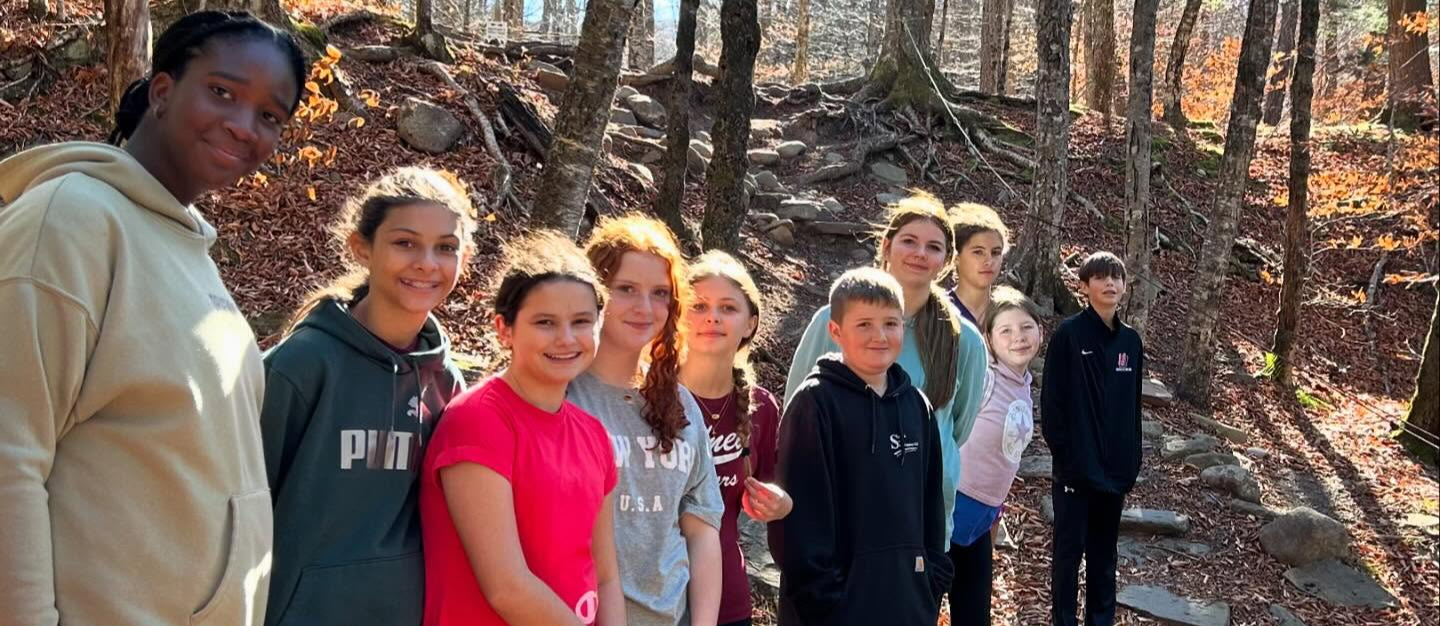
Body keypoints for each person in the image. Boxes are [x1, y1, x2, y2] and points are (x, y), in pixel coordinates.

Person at [0, 11, 304, 625]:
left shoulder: (187, 251)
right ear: (163, 91)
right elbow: (9, 453)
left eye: (270, 116)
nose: (244, 126)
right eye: (222, 92)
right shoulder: (71, 219)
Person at [259, 167, 475, 626]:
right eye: (404, 243)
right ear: (362, 248)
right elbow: (239, 507)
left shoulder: (447, 384)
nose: (426, 263)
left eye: (446, 248)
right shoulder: (302, 365)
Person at [420, 232, 625, 626]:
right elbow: (507, 586)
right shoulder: (478, 420)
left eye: (581, 321)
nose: (566, 339)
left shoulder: (594, 435)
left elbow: (606, 575)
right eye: (545, 323)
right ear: (505, 329)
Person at [784, 192, 989, 548]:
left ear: (946, 260)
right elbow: (795, 413)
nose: (920, 254)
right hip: (836, 517)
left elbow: (958, 426)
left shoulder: (963, 340)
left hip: (920, 525)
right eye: (909, 241)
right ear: (887, 244)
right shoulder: (831, 323)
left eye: (933, 247)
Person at [568, 215, 725, 626]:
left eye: (659, 293)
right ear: (594, 293)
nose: (645, 308)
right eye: (626, 290)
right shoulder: (563, 394)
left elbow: (702, 526)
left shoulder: (682, 405)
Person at [775, 268, 953, 626]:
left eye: (891, 323)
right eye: (864, 325)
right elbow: (797, 522)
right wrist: (824, 602)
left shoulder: (916, 405)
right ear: (835, 331)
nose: (880, 336)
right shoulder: (815, 404)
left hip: (909, 605)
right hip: (831, 613)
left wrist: (930, 582)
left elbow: (932, 505)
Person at [679, 251, 792, 626]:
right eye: (698, 305)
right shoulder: (648, 398)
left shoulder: (761, 407)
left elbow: (781, 492)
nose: (712, 316)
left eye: (728, 307)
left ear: (750, 323)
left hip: (727, 598)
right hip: (653, 597)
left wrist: (781, 504)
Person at [1042, 252, 1145, 626]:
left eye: (1116, 277)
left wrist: (1132, 460)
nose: (1110, 284)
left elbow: (1133, 408)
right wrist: (1067, 459)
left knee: (1105, 557)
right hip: (1074, 472)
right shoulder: (1069, 335)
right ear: (1084, 286)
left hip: (1114, 474)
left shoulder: (1131, 342)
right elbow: (1052, 406)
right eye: (1100, 278)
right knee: (1068, 557)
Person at [949, 286, 1043, 626]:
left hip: (981, 520)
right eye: (1006, 330)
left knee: (974, 616)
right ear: (989, 339)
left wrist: (995, 513)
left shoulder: (1023, 383)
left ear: (1040, 331)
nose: (1018, 338)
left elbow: (1006, 455)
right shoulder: (984, 377)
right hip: (948, 511)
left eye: (1026, 327)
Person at [947, 202, 1010, 324]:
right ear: (956, 256)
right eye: (978, 252)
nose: (989, 261)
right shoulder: (938, 312)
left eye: (995, 252)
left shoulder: (1009, 314)